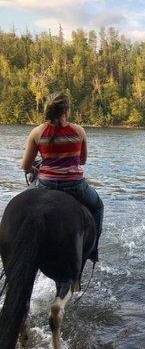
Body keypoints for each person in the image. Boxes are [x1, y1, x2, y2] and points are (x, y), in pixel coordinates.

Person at [20, 92, 103, 262]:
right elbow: (83, 160)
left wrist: (37, 170)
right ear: (66, 110)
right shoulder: (79, 131)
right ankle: (93, 251)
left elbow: (25, 166)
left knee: (20, 206)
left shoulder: (37, 132)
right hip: (75, 186)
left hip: (45, 184)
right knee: (98, 206)